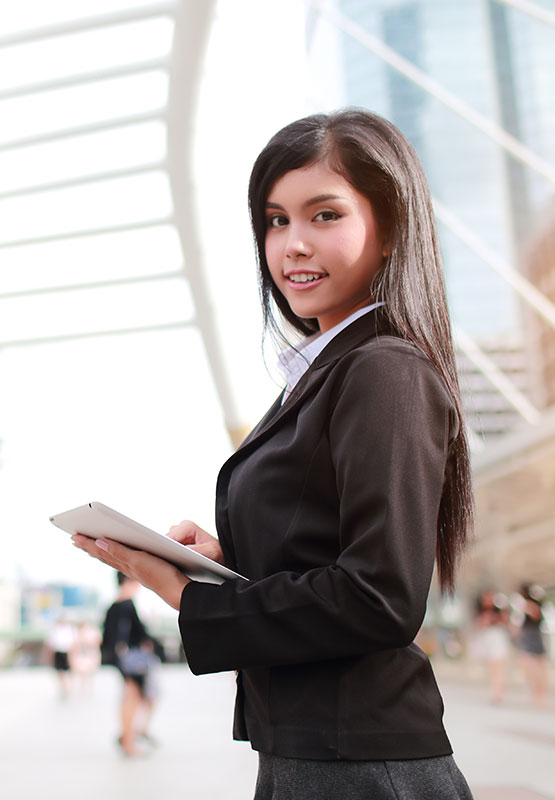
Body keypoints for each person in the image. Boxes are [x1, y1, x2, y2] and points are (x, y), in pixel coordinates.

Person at [75, 109, 474, 797]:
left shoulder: (384, 370)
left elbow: (380, 597)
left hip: (360, 766)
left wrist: (189, 600)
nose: (292, 244)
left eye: (324, 215)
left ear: (389, 231)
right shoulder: (321, 373)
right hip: (308, 751)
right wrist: (227, 564)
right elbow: (329, 554)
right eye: (275, 220)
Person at [101, 574, 156, 758]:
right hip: (131, 660)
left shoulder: (114, 606)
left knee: (131, 698)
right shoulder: (125, 605)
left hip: (124, 660)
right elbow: (127, 636)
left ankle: (127, 736)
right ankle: (128, 741)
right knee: (132, 699)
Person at [472, 590, 511, 705]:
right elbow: (478, 625)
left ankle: (498, 692)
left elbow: (505, 622)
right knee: (492, 667)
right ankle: (496, 690)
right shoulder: (480, 610)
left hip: (497, 638)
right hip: (486, 639)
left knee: (498, 666)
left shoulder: (499, 609)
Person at [515, 584, 549, 707]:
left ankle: (540, 694)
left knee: (537, 667)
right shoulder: (525, 606)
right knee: (530, 667)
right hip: (529, 635)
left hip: (533, 635)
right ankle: (535, 694)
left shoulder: (531, 605)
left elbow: (536, 616)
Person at [44, 616, 77, 699]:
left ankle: (69, 687)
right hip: (58, 652)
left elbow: (74, 642)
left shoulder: (70, 629)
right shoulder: (55, 630)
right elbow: (50, 644)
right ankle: (64, 687)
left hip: (68, 651)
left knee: (70, 671)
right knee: (59, 671)